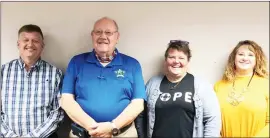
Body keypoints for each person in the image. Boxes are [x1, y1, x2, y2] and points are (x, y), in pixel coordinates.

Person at [60, 17, 146, 138]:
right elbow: (66, 100)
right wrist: (93, 128)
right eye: (98, 32)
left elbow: (138, 104)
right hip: (83, 134)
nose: (103, 36)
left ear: (117, 37)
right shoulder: (76, 62)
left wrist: (112, 127)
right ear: (92, 36)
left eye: (108, 33)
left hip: (122, 134)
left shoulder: (132, 64)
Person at [137, 40, 221, 138]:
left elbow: (212, 120)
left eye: (181, 58)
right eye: (171, 57)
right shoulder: (153, 83)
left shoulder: (201, 85)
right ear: (166, 60)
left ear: (188, 61)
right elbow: (141, 115)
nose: (176, 61)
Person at [0, 24, 64, 138]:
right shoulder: (3, 72)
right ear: (18, 44)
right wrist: (10, 136)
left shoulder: (55, 74)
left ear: (42, 46)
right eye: (25, 40)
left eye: (35, 41)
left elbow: (58, 113)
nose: (30, 44)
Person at [214, 40, 269, 137]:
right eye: (241, 54)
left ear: (257, 59)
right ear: (234, 58)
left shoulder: (266, 85)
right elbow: (211, 121)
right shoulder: (219, 86)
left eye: (251, 55)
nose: (245, 58)